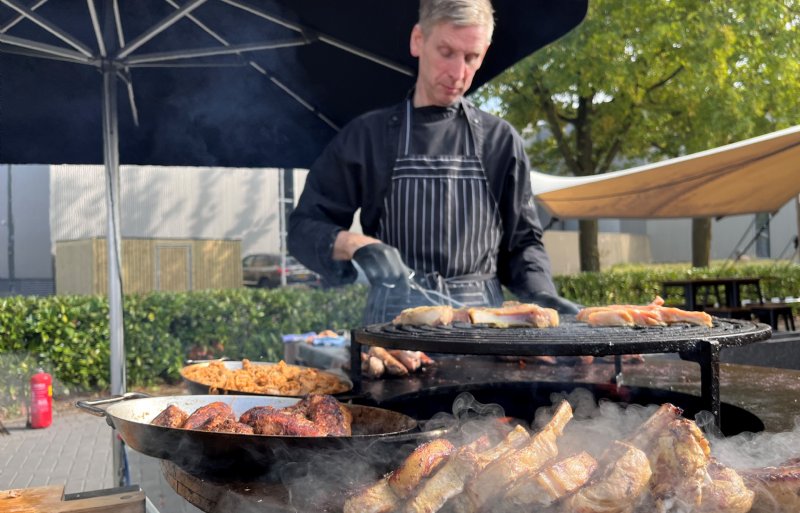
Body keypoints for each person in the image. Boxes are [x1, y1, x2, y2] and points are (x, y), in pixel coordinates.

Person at [288, 0, 580, 326]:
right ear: (418, 40)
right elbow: (302, 230)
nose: (458, 73)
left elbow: (523, 243)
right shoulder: (367, 137)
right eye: (446, 52)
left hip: (483, 328)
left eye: (472, 58)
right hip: (395, 328)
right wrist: (355, 245)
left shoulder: (501, 141)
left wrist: (539, 293)